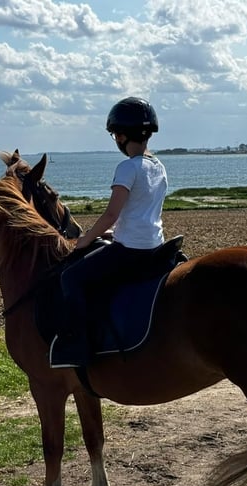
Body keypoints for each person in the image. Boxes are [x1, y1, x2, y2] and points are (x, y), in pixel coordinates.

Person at [50, 97, 167, 368]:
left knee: (71, 279)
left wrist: (85, 240)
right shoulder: (158, 167)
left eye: (115, 134)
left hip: (130, 251)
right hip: (156, 246)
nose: (116, 139)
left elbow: (111, 213)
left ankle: (78, 346)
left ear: (123, 136)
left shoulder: (127, 167)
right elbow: (142, 211)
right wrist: (116, 231)